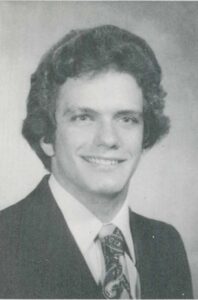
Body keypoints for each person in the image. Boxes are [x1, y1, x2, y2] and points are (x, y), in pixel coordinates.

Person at [0, 25, 193, 299]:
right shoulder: (4, 242)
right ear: (46, 136)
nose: (108, 139)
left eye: (126, 119)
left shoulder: (165, 244)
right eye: (83, 117)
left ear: (144, 133)